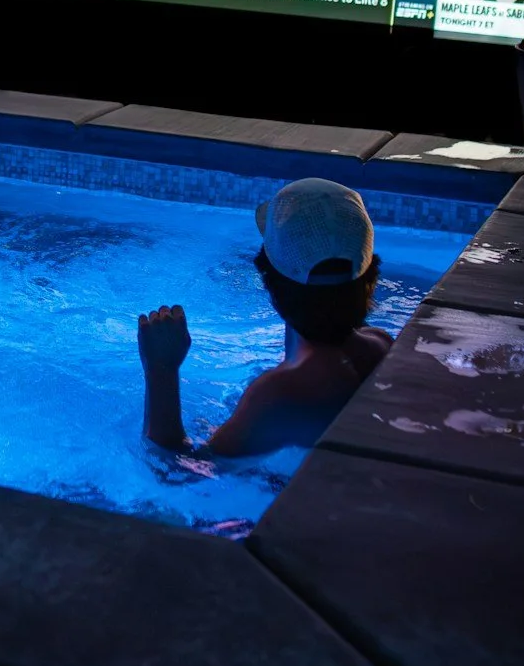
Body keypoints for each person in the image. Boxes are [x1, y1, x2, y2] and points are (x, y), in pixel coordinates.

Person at [136, 179, 391, 457]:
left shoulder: (281, 394)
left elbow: (178, 472)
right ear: (370, 275)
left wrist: (161, 370)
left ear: (270, 282)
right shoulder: (379, 346)